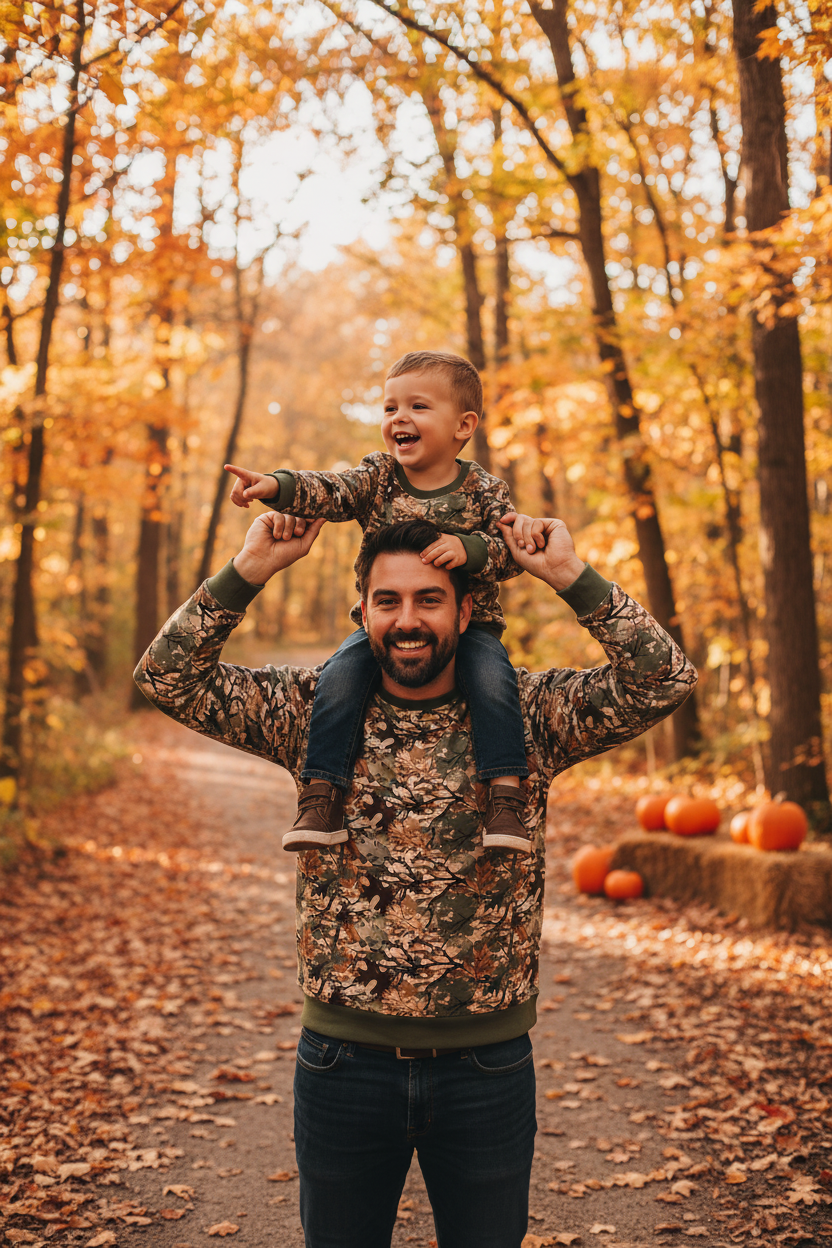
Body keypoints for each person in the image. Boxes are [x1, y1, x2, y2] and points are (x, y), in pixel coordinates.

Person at [134, 508, 697, 1248]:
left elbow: (665, 680)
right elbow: (166, 677)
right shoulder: (312, 712)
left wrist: (568, 575)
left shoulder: (528, 715)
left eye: (429, 600)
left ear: (466, 610)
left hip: (487, 1068)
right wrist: (249, 570)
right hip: (342, 1065)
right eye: (388, 600)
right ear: (362, 610)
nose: (408, 620)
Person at [224, 350, 549, 855]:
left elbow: (513, 549)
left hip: (473, 628)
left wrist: (472, 549)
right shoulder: (377, 477)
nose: (399, 418)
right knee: (339, 676)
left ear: (464, 425)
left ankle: (505, 798)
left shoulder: (484, 490)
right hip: (381, 630)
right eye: (390, 408)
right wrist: (277, 488)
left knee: (493, 682)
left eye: (418, 407)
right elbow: (330, 489)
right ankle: (321, 793)